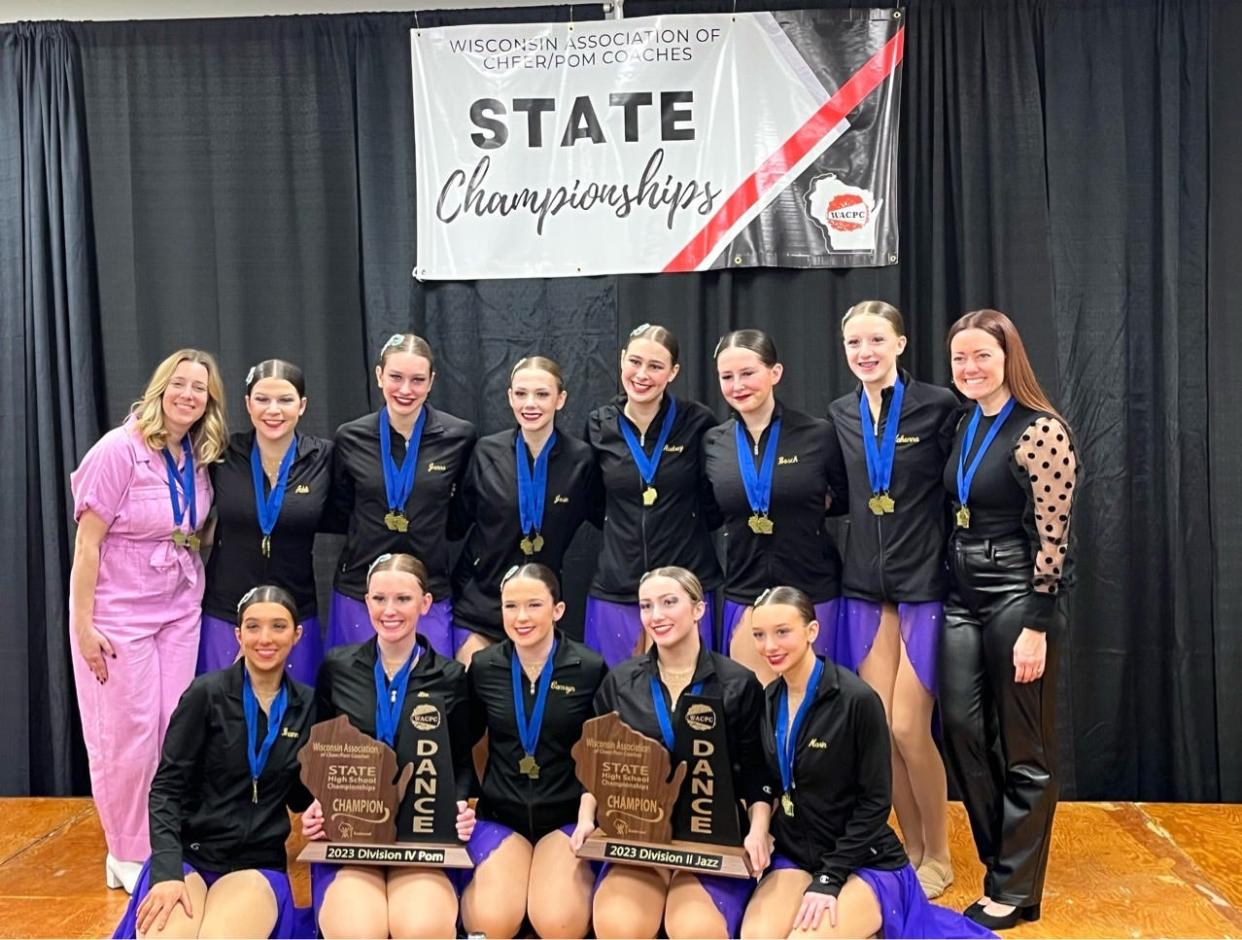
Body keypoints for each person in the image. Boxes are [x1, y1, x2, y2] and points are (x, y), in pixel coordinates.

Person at [740, 587, 996, 940]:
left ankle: (871, 919)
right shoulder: (769, 700)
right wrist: (759, 828)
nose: (770, 646)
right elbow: (767, 781)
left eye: (782, 632)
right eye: (759, 635)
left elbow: (876, 802)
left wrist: (830, 878)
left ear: (812, 631)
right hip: (798, 855)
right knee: (757, 936)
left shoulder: (857, 700)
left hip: (864, 859)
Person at [940, 309, 1078, 929]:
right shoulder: (966, 423)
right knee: (963, 730)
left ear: (1008, 360)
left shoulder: (1040, 429)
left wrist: (1037, 624)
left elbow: (1056, 536)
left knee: (1026, 746)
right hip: (960, 592)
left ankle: (1016, 888)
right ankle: (1005, 863)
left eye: (982, 357)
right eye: (960, 358)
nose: (969, 368)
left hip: (1017, 595)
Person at [69, 348, 227, 892]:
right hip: (118, 613)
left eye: (199, 388)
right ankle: (128, 852)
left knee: (172, 728)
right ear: (159, 389)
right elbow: (86, 547)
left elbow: (193, 524)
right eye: (178, 384)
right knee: (127, 736)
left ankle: (166, 838)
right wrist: (83, 627)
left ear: (209, 401)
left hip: (179, 607)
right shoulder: (116, 451)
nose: (188, 394)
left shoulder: (195, 453)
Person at [826, 301, 961, 898]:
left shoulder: (938, 407)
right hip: (863, 589)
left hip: (923, 587)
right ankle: (907, 849)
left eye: (876, 339)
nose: (865, 352)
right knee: (880, 727)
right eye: (854, 342)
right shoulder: (840, 414)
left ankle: (941, 850)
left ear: (900, 344)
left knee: (910, 726)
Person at [112, 585, 316, 939]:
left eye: (278, 626)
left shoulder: (308, 705)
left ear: (297, 634)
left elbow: (298, 798)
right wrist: (166, 872)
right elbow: (165, 789)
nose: (264, 638)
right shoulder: (205, 694)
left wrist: (323, 798)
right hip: (188, 859)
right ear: (238, 634)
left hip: (256, 864)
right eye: (253, 627)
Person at [591, 567, 771, 940]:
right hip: (640, 833)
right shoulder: (619, 681)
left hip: (711, 835)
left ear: (698, 609)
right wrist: (584, 819)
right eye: (646, 606)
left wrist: (758, 831)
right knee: (619, 925)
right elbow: (599, 764)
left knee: (694, 930)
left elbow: (757, 775)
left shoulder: (738, 683)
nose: (656, 616)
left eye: (669, 602)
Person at [303, 553, 475, 939]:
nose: (390, 610)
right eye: (379, 599)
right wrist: (316, 804)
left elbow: (460, 763)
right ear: (366, 601)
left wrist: (459, 804)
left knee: (421, 929)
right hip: (351, 835)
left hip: (421, 835)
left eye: (403, 599)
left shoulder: (451, 678)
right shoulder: (338, 668)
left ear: (426, 603)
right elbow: (320, 754)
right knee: (357, 930)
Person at [461, 564, 607, 939]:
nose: (521, 617)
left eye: (533, 605)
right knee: (489, 924)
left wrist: (591, 814)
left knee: (560, 922)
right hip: (501, 817)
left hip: (566, 819)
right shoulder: (484, 667)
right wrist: (461, 801)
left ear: (557, 610)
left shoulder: (588, 669)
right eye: (510, 606)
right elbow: (460, 742)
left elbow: (603, 753)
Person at [704, 329, 847, 683]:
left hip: (812, 591)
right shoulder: (713, 443)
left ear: (775, 373)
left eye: (748, 373)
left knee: (815, 712)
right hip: (745, 593)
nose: (738, 385)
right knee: (752, 712)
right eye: (727, 376)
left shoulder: (818, 434)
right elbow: (709, 509)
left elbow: (844, 497)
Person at [326, 334, 476, 657]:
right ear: (379, 376)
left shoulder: (458, 437)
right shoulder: (351, 437)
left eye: (417, 380)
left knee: (427, 699)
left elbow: (461, 515)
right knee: (357, 696)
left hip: (429, 594)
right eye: (396, 377)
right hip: (360, 593)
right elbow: (340, 511)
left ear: (431, 381)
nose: (406, 390)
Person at [585, 323, 722, 665]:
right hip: (618, 587)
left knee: (692, 696)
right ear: (621, 361)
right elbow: (591, 500)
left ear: (673, 372)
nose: (642, 374)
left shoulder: (696, 421)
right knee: (621, 699)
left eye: (656, 366)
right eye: (635, 362)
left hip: (686, 583)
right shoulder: (600, 425)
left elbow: (714, 497)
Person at [451, 357, 598, 665]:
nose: (530, 404)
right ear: (509, 397)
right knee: (478, 702)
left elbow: (606, 517)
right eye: (521, 394)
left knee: (532, 705)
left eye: (542, 394)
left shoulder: (581, 460)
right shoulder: (485, 453)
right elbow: (457, 521)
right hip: (481, 603)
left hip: (539, 611)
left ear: (561, 399)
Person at [199, 359, 333, 684]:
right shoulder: (222, 454)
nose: (273, 410)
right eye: (262, 399)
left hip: (294, 611)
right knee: (224, 717)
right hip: (226, 610)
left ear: (301, 406)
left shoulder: (324, 458)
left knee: (294, 718)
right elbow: (197, 516)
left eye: (285, 400)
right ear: (247, 404)